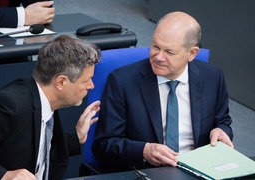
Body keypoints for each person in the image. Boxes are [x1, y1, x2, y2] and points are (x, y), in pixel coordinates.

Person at [0, 35, 101, 180]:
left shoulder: (45, 100)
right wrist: (3, 175)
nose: (91, 86)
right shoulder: (10, 105)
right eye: (86, 80)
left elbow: (35, 144)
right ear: (61, 82)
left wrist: (77, 136)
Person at [92, 11, 234, 172]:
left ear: (192, 53)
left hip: (199, 169)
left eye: (169, 52)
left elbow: (223, 122)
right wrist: (144, 150)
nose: (158, 57)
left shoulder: (212, 77)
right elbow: (103, 144)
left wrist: (222, 131)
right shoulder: (123, 81)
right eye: (155, 46)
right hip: (148, 171)